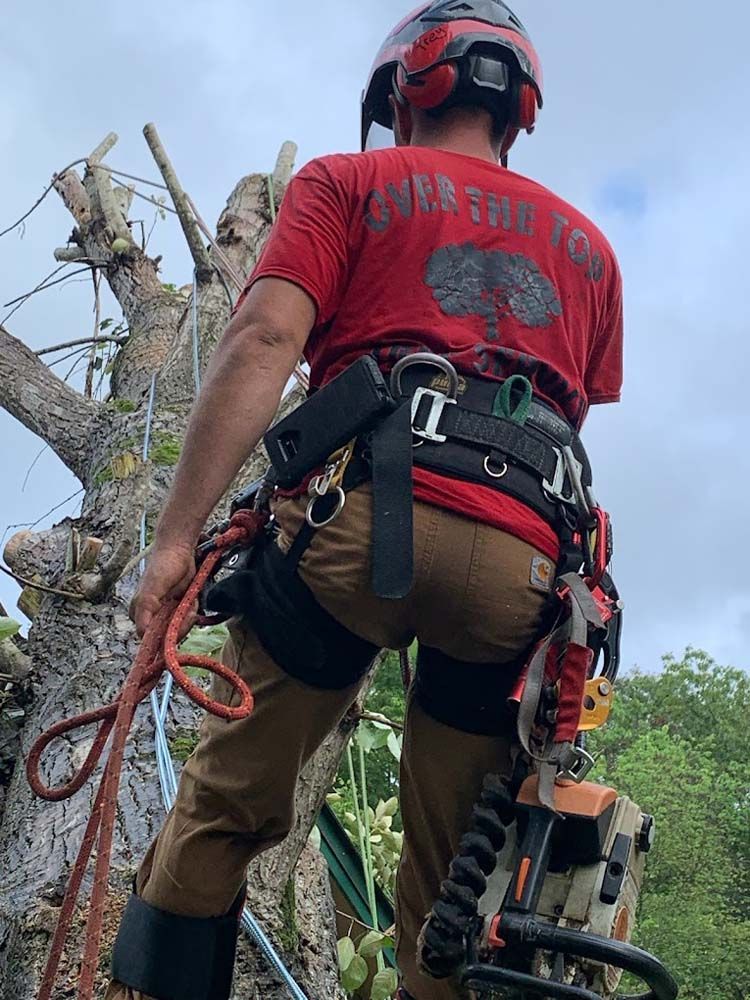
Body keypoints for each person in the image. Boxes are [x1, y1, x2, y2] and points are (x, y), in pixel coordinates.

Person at [106, 2, 623, 998]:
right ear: (517, 113)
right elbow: (556, 428)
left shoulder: (346, 183)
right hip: (519, 572)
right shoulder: (592, 251)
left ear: (403, 93)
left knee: (227, 808)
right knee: (453, 890)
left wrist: (174, 545)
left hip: (352, 526)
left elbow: (264, 337)